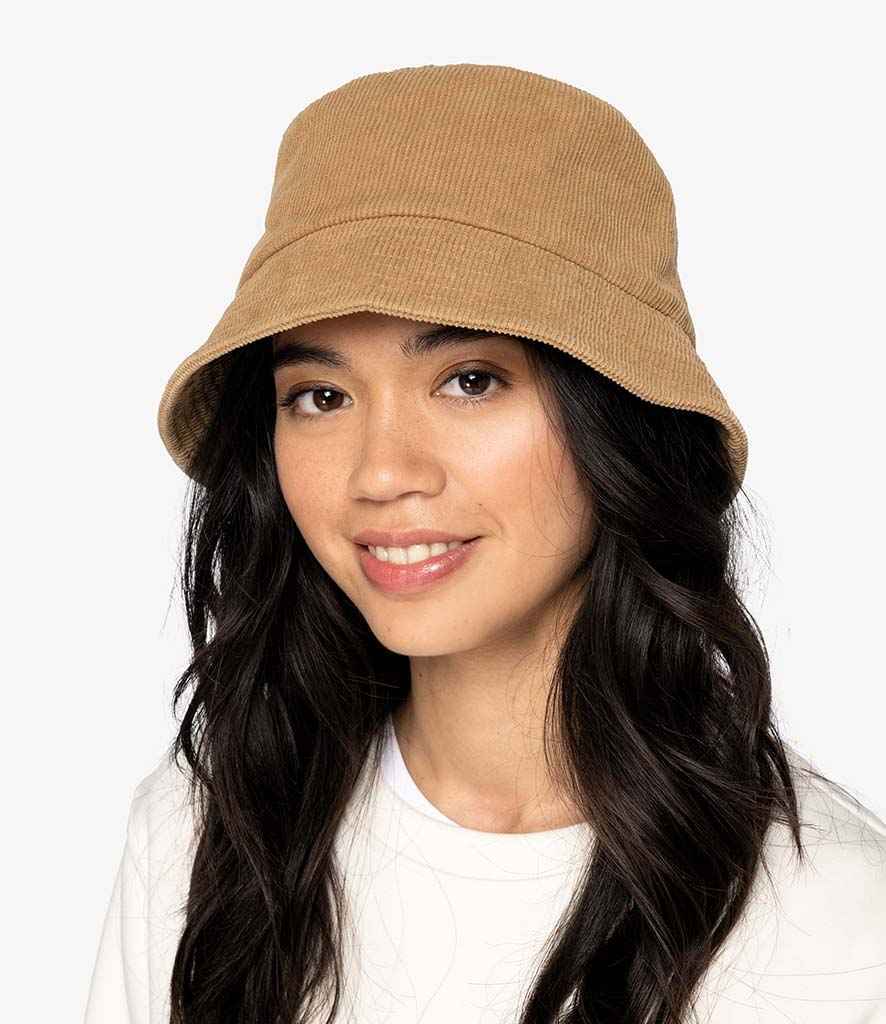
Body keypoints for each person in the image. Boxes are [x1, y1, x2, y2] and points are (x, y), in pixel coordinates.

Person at [83, 64, 886, 1024]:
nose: (382, 472)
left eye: (470, 380)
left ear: (614, 418)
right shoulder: (207, 836)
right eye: (321, 396)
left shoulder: (835, 926)